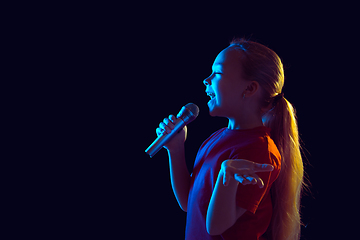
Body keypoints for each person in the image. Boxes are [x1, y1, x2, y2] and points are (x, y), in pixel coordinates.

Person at [156, 38, 305, 240]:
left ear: (250, 89)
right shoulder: (216, 138)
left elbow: (216, 226)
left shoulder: (260, 151)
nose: (206, 80)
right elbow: (188, 203)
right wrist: (175, 149)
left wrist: (227, 178)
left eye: (217, 73)